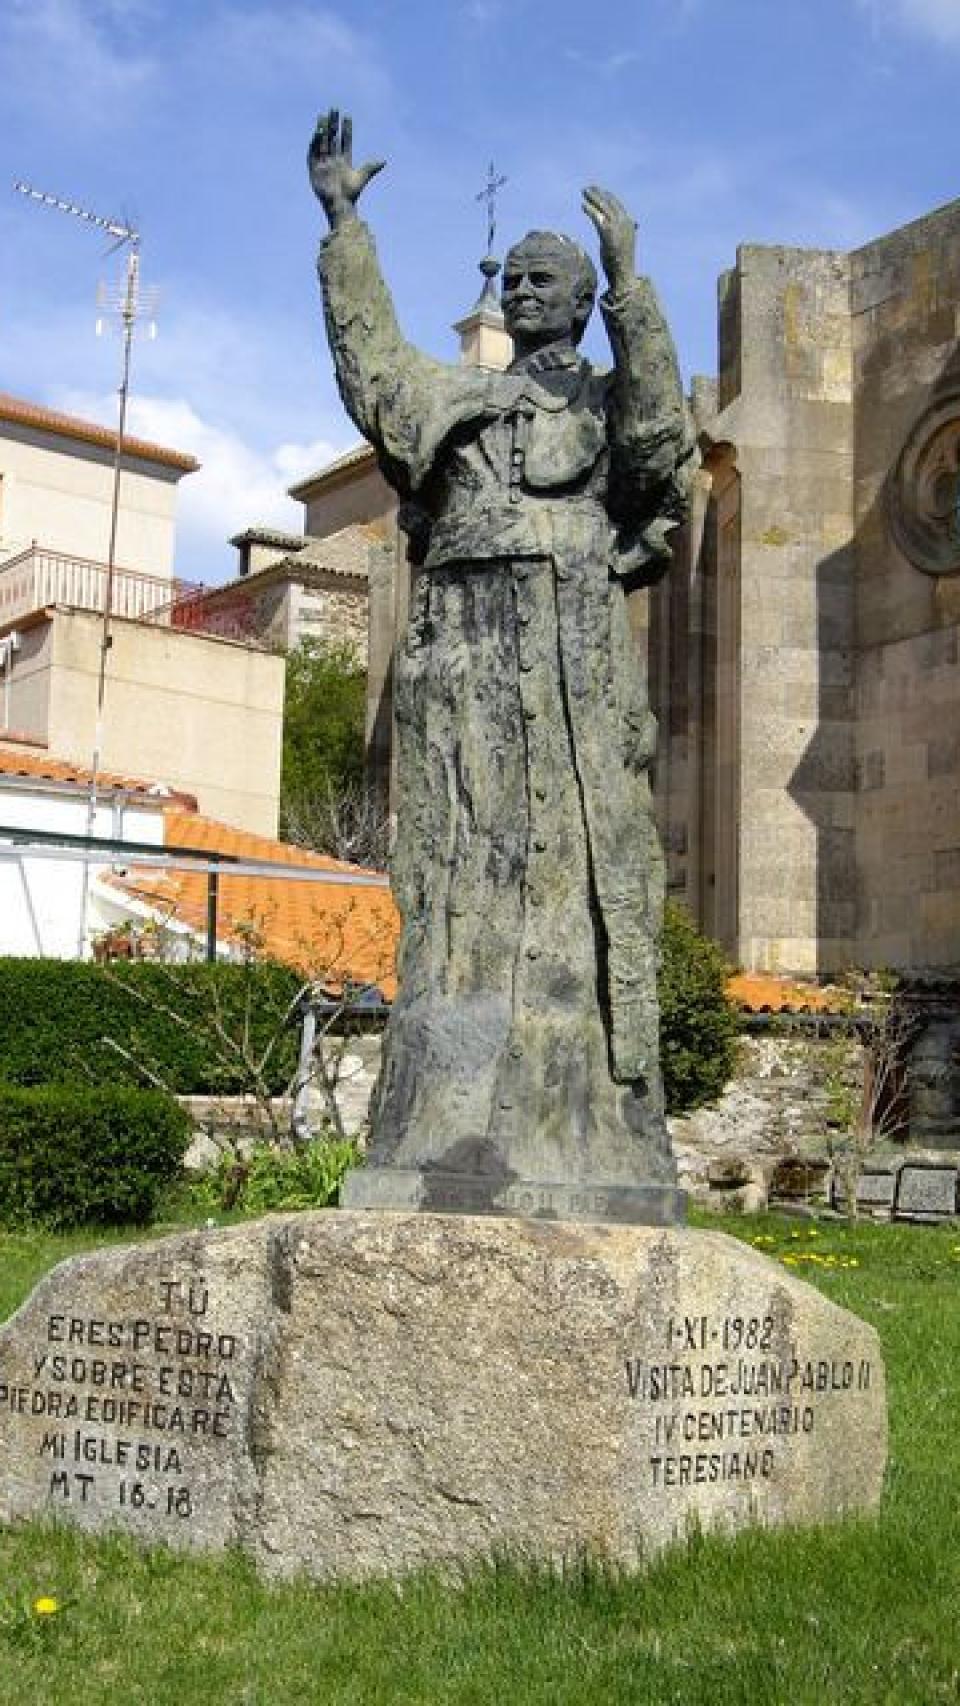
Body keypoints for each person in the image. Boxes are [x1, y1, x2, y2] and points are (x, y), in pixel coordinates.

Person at [308, 109, 695, 1221]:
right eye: (514, 278)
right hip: (463, 652)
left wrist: (634, 287)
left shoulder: (611, 398)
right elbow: (375, 371)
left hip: (572, 646)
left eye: (545, 279)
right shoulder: (454, 399)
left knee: (577, 870)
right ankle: (438, 1124)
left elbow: (662, 447)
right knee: (459, 878)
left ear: (577, 303)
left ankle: (593, 1130)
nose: (523, 289)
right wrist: (346, 228)